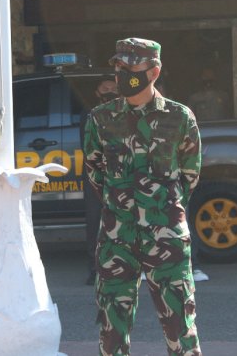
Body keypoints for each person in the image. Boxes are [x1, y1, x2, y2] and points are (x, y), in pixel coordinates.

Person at [84, 38, 202, 356]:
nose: (122, 73)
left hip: (166, 237)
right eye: (119, 66)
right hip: (116, 238)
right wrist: (123, 206)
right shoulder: (100, 118)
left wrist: (160, 209)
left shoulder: (180, 117)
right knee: (111, 334)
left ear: (154, 71)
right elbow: (95, 173)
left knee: (181, 330)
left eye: (131, 66)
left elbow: (189, 177)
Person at [80, 76, 118, 286]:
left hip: (121, 176)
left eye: (114, 88)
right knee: (95, 223)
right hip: (94, 176)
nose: (110, 92)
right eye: (105, 88)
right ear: (97, 92)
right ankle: (95, 270)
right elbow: (89, 149)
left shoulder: (125, 113)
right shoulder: (89, 115)